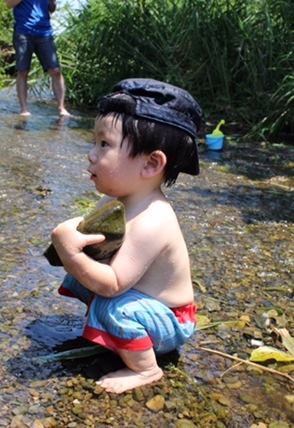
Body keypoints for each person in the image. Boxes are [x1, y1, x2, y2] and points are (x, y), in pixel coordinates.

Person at [50, 78, 201, 393]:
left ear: (150, 163)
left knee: (112, 305)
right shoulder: (116, 200)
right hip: (145, 303)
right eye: (95, 142)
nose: (92, 154)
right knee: (80, 274)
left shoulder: (154, 219)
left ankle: (146, 370)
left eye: (104, 145)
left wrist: (70, 252)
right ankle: (117, 335)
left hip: (171, 321)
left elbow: (113, 285)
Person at [6, 0, 70, 116]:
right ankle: (24, 109)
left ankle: (61, 108)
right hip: (23, 31)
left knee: (55, 71)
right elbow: (9, 4)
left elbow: (52, 9)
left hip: (45, 33)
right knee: (23, 71)